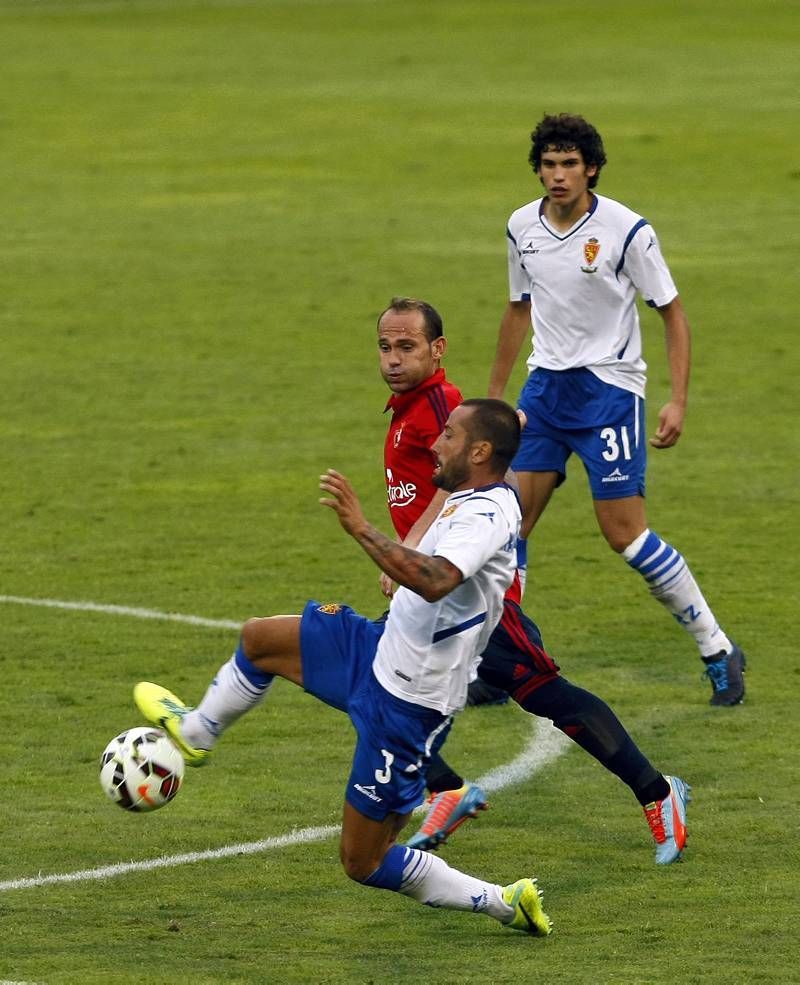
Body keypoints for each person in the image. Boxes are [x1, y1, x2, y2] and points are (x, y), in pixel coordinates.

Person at [133, 399, 553, 937]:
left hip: (407, 707)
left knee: (364, 861)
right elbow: (500, 453)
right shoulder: (486, 484)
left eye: (448, 435)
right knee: (260, 640)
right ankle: (196, 733)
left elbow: (435, 578)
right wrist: (513, 421)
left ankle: (502, 901)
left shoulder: (488, 514)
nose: (435, 442)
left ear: (478, 452)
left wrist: (361, 528)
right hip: (376, 647)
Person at [377, 297, 690, 865]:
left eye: (407, 347)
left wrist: (407, 553)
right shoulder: (411, 407)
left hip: (472, 598)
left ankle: (660, 793)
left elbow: (467, 484)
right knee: (375, 681)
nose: (394, 360)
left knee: (548, 697)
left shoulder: (442, 407)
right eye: (385, 347)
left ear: (436, 350)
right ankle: (442, 788)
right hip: (435, 594)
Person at [487, 113, 746, 707]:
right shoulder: (520, 227)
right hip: (544, 393)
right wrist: (496, 397)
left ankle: (716, 647)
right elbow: (517, 309)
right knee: (510, 525)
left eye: (569, 164)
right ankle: (508, 662)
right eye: (549, 165)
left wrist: (677, 400)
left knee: (625, 536)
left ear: (591, 168)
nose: (558, 175)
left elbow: (672, 312)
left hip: (608, 394)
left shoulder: (627, 231)